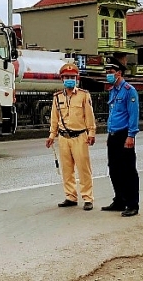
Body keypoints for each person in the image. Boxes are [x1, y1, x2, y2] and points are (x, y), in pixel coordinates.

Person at [46, 63, 97, 211]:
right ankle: (70, 196)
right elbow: (54, 118)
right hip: (63, 137)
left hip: (80, 136)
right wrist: (51, 135)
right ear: (62, 79)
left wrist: (91, 133)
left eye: (72, 77)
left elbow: (89, 116)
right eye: (67, 77)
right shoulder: (57, 97)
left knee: (83, 169)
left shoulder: (83, 95)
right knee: (67, 170)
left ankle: (88, 198)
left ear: (77, 78)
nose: (70, 80)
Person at [100, 56, 140, 217]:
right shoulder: (113, 91)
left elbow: (133, 115)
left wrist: (131, 136)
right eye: (107, 72)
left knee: (128, 171)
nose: (108, 74)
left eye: (111, 72)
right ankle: (119, 200)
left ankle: (132, 204)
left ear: (119, 73)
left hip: (125, 135)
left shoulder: (129, 91)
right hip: (113, 135)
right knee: (114, 169)